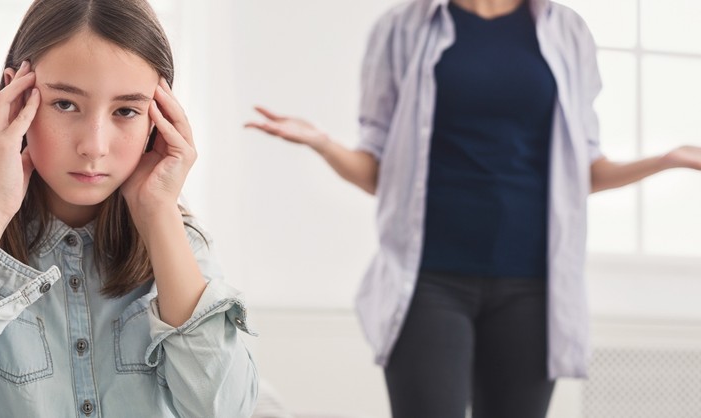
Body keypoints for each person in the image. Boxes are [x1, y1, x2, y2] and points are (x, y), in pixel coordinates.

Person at [246, 0, 701, 417]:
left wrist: (665, 160)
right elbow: (379, 174)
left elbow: (580, 171)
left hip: (534, 288)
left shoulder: (566, 31)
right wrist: (324, 144)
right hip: (427, 283)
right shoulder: (401, 29)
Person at [0, 1, 258, 417]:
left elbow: (225, 411)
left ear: (157, 120)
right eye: (66, 104)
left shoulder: (184, 247)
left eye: (126, 111)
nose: (94, 146)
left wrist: (159, 214)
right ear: (15, 98)